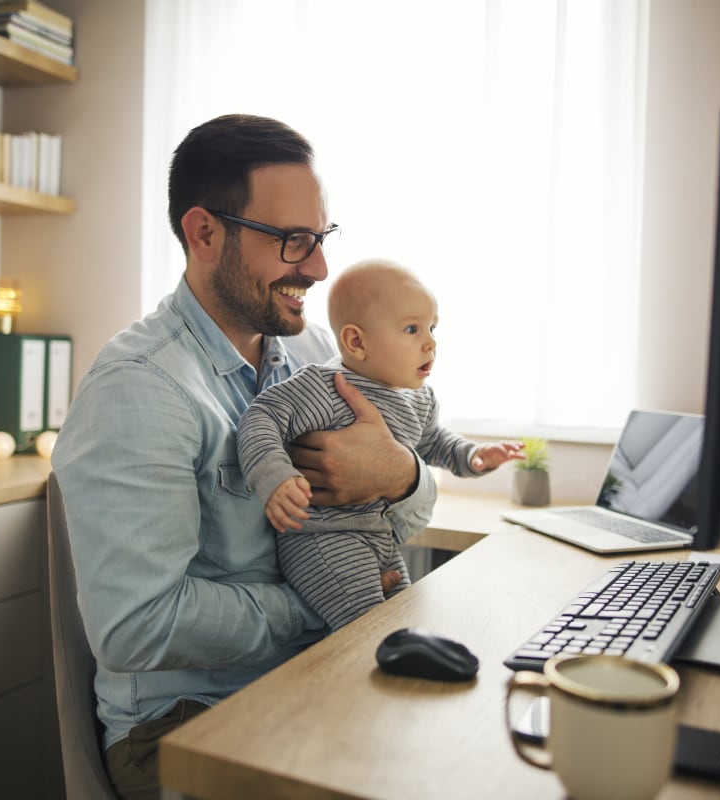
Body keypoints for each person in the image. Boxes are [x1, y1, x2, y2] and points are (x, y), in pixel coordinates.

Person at [50, 115, 437, 800]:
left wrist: (400, 475)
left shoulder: (323, 357)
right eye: (293, 242)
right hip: (183, 725)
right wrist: (322, 601)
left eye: (320, 239)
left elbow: (404, 513)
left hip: (312, 678)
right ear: (204, 233)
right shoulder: (140, 388)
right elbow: (138, 627)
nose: (318, 268)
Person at [237, 259, 524, 630]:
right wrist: (273, 476)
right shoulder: (325, 387)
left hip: (381, 537)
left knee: (404, 616)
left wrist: (474, 455)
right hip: (323, 540)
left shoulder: (419, 399)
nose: (431, 342)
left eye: (432, 327)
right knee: (371, 631)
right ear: (357, 342)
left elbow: (435, 442)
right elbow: (261, 417)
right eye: (412, 329)